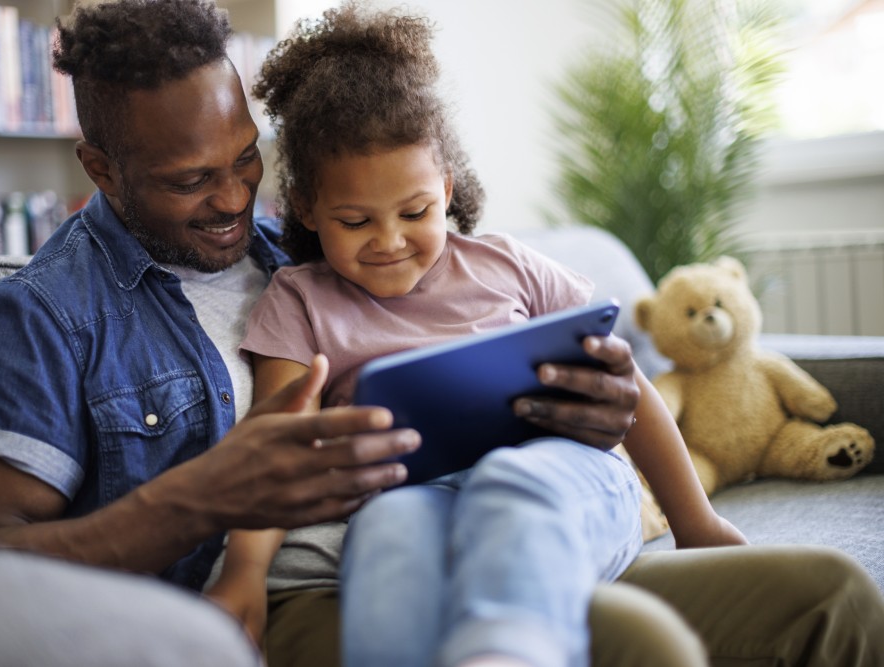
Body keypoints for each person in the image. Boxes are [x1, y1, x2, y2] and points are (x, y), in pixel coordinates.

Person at [0, 1, 639, 666]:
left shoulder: (314, 251)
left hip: (471, 537)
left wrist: (596, 402)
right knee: (648, 643)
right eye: (192, 179)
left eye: (245, 156)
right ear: (102, 171)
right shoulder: (45, 317)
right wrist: (196, 500)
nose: (236, 196)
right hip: (284, 607)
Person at [210, 3, 884, 667]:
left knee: (513, 479)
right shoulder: (299, 300)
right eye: (355, 221)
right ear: (306, 207)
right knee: (386, 535)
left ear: (445, 188)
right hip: (408, 495)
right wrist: (244, 566)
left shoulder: (508, 266)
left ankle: (510, 649)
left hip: (565, 476)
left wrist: (695, 523)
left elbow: (628, 386)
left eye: (414, 211)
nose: (388, 241)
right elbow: (278, 447)